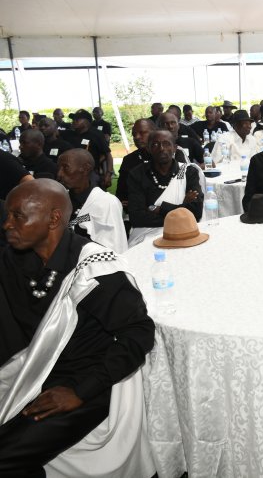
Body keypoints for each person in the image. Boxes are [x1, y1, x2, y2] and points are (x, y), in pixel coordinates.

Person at [0, 179, 155, 477]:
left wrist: (80, 392)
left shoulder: (94, 269)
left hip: (85, 382)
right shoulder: (15, 260)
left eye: (18, 216)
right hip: (32, 372)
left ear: (53, 219)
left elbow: (139, 333)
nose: (7, 224)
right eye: (8, 215)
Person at [127, 130, 203, 246]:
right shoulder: (137, 174)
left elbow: (196, 212)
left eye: (167, 144)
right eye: (155, 144)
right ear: (149, 149)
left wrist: (159, 209)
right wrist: (182, 209)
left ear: (175, 148)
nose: (161, 148)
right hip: (147, 235)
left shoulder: (187, 171)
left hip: (185, 232)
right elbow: (137, 217)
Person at [57, 149, 127, 253]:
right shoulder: (60, 199)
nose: (59, 174)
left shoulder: (106, 203)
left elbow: (114, 247)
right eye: (59, 168)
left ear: (86, 169)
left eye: (65, 168)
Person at [64, 110, 114, 190]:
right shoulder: (69, 134)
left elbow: (107, 154)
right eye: (73, 119)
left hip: (90, 173)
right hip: (72, 173)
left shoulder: (96, 134)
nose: (74, 121)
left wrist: (108, 174)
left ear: (87, 122)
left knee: (93, 194)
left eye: (77, 119)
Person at [116, 118, 155, 210]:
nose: (137, 137)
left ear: (154, 132)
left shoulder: (167, 157)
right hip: (135, 214)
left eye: (142, 133)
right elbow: (121, 193)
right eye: (134, 134)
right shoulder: (128, 160)